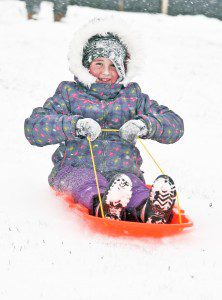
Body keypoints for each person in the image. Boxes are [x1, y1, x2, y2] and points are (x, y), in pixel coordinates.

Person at [24, 18, 184, 224]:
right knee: (88, 183)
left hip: (124, 171)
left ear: (124, 68)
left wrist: (145, 125)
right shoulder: (69, 93)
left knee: (134, 187)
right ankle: (105, 206)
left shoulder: (132, 97)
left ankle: (150, 210)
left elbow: (174, 125)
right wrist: (74, 125)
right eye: (98, 64)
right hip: (75, 167)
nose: (106, 73)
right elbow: (34, 128)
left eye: (114, 65)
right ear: (85, 65)